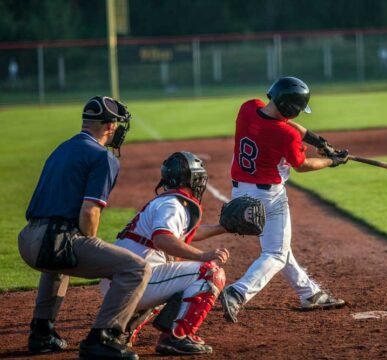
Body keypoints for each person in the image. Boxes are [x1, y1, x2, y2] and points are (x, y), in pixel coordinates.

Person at [18, 96, 151, 360]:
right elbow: (89, 211)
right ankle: (103, 338)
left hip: (28, 239)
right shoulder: (103, 157)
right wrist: (90, 243)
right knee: (137, 268)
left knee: (58, 264)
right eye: (117, 124)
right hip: (52, 242)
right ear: (109, 126)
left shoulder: (62, 148)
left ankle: (42, 333)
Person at [220, 76, 348, 324]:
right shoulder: (285, 135)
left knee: (279, 247)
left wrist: (318, 141)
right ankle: (238, 292)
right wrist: (332, 161)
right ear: (291, 108)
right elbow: (303, 165)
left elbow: (287, 125)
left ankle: (310, 294)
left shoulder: (248, 108)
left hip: (239, 193)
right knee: (276, 253)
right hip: (269, 197)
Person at [100, 151, 230, 355]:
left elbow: (181, 234)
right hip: (135, 283)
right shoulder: (173, 205)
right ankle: (177, 337)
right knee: (209, 273)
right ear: (192, 179)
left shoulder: (164, 202)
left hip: (121, 284)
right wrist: (203, 256)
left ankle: (124, 329)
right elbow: (163, 239)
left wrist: (223, 227)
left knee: (173, 277)